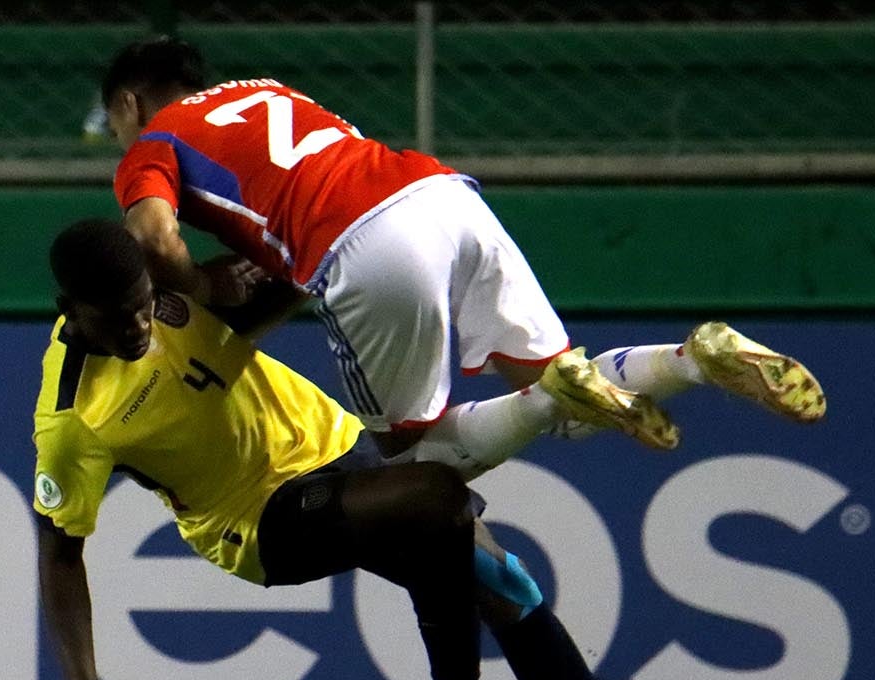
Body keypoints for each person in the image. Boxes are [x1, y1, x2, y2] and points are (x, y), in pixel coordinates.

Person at [33, 218, 747, 680]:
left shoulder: (172, 295)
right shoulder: (72, 419)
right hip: (257, 521)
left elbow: (268, 296)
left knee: (507, 588)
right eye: (116, 319)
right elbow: (61, 556)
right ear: (70, 311)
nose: (137, 327)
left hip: (341, 453)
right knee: (435, 498)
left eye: (140, 308)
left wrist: (305, 263)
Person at [97, 37, 826, 481]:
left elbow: (153, 238)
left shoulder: (152, 145)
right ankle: (696, 357)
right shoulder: (268, 91)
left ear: (130, 102)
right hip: (441, 196)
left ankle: (550, 395)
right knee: (569, 402)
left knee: (412, 467)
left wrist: (204, 284)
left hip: (363, 249)